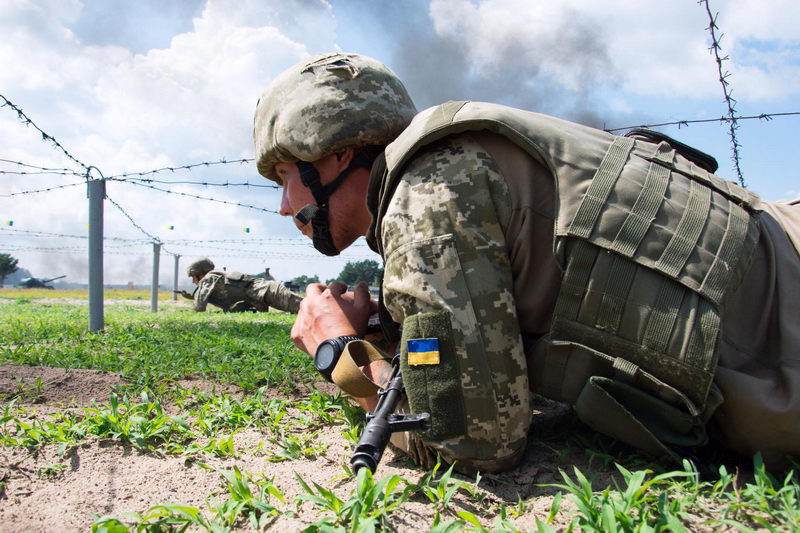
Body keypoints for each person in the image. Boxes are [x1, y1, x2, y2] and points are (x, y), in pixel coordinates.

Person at [252, 52, 800, 473]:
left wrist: (339, 351)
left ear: (335, 154)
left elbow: (472, 438)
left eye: (284, 178)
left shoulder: (428, 192)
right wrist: (391, 336)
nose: (282, 206)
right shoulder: (467, 155)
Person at [184, 257, 302, 314]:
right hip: (266, 292)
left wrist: (196, 298)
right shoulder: (216, 278)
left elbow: (199, 307)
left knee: (307, 307)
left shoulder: (209, 277)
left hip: (267, 292)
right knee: (303, 309)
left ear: (199, 274)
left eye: (193, 277)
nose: (193, 281)